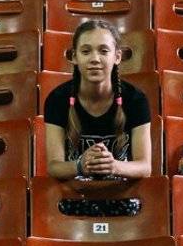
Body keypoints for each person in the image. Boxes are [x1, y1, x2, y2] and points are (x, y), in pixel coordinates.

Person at [43, 18, 153, 180]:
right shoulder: (57, 99)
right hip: (76, 192)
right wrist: (80, 166)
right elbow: (53, 167)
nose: (95, 58)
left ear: (117, 57)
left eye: (103, 51)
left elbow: (145, 167)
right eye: (86, 51)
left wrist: (114, 166)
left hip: (122, 192)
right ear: (74, 57)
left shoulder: (136, 100)